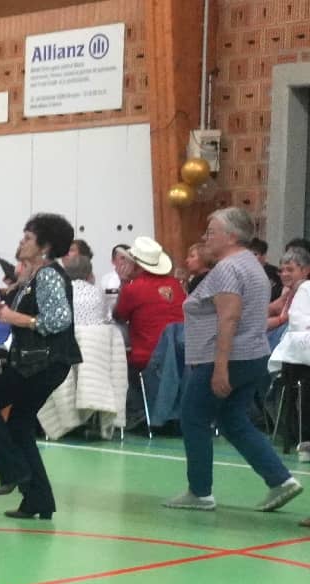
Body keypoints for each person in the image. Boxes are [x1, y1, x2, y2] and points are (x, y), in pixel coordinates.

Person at [164, 207, 303, 513]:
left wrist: (220, 367)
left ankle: (200, 491)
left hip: (227, 356)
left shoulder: (227, 269)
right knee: (232, 419)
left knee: (193, 417)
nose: (205, 238)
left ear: (231, 236)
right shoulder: (252, 266)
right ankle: (280, 479)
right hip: (253, 354)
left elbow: (229, 318)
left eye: (211, 232)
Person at [0, 214, 83, 520]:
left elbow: (58, 320)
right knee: (19, 425)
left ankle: (12, 472)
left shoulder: (49, 274)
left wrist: (15, 318)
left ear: (45, 245)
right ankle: (38, 500)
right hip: (41, 361)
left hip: (43, 361)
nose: (21, 241)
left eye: (27, 237)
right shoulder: (36, 275)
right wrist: (6, 311)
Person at [110, 237, 186, 431]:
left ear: (135, 264)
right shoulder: (176, 285)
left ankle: (138, 416)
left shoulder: (133, 288)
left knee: (117, 361)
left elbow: (118, 315)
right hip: (181, 356)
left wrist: (124, 283)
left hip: (149, 357)